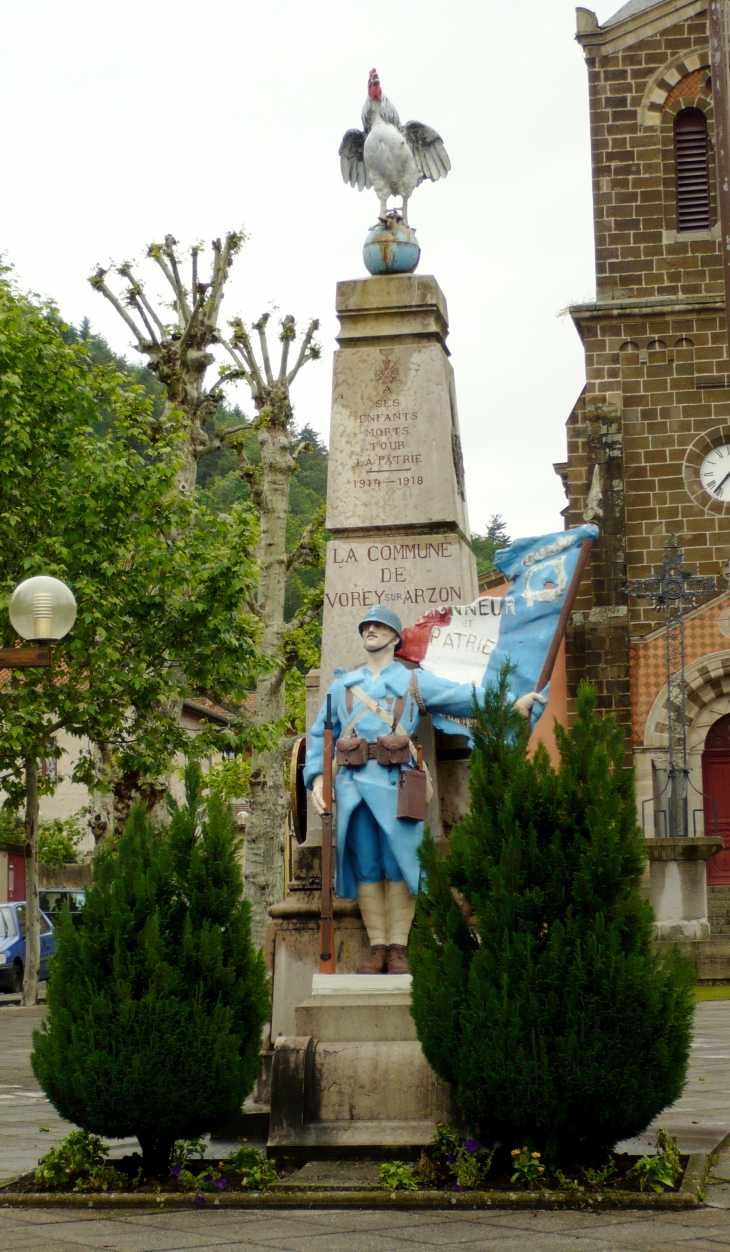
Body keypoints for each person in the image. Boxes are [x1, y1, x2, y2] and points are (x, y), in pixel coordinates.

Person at [305, 607, 545, 974]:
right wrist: (318, 778)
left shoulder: (413, 683)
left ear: (395, 637)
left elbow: (463, 696)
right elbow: (320, 734)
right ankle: (378, 947)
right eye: (367, 626)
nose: (371, 631)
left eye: (379, 626)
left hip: (397, 784)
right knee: (368, 866)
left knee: (400, 864)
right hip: (353, 788)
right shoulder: (342, 686)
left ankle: (399, 947)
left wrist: (510, 704)